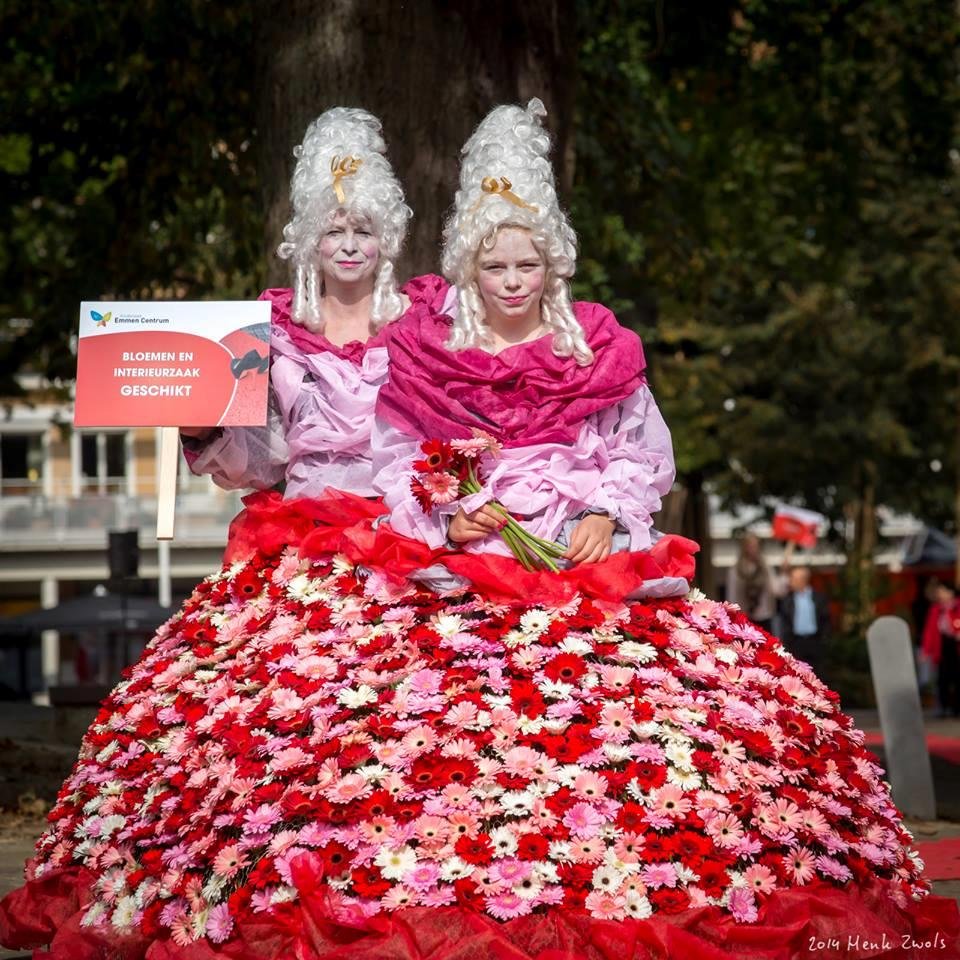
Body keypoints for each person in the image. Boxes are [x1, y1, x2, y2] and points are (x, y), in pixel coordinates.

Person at [0, 108, 449, 956]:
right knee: (281, 721)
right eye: (332, 228)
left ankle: (404, 868)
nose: (348, 243)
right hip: (305, 538)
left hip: (414, 538)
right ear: (307, 241)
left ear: (389, 237)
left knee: (419, 720)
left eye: (364, 228)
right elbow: (262, 458)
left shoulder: (431, 322)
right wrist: (204, 424)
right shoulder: (267, 334)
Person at [776, 564, 832, 674]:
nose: (790, 582)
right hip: (795, 642)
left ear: (803, 580)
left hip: (815, 642)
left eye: (794, 579)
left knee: (818, 674)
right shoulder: (788, 600)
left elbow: (825, 619)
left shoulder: (818, 598)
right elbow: (784, 621)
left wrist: (825, 638)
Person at [725, 532, 777, 632]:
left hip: (764, 616)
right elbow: (731, 597)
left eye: (756, 545)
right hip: (744, 618)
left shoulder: (766, 568)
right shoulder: (735, 570)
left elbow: (776, 589)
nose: (753, 548)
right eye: (750, 545)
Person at [922, 581, 960, 717]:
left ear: (951, 592)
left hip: (956, 647)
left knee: (957, 679)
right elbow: (930, 631)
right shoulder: (936, 609)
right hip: (942, 647)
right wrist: (926, 651)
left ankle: (956, 709)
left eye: (942, 591)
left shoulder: (958, 606)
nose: (940, 594)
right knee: (942, 679)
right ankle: (943, 708)